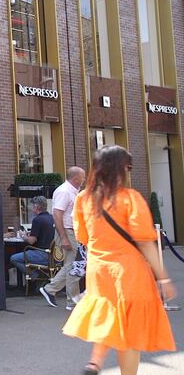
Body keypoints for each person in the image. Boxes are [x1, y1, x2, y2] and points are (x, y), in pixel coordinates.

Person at [61, 146, 177, 375]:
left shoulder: (83, 198)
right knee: (130, 334)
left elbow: (82, 237)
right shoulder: (129, 198)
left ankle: (95, 361)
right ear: (120, 169)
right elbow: (145, 241)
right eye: (128, 167)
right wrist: (163, 279)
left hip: (98, 270)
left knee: (110, 315)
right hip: (129, 272)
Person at [39, 166, 86, 310]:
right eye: (83, 177)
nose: (84, 180)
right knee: (73, 265)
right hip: (67, 230)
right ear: (76, 178)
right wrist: (64, 237)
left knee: (73, 265)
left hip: (71, 231)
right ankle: (71, 301)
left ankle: (51, 290)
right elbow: (57, 214)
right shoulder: (65, 191)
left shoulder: (71, 191)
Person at [9, 196, 55, 280]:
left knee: (14, 258)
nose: (31, 208)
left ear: (36, 207)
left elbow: (31, 241)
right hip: (54, 256)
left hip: (42, 254)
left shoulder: (37, 220)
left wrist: (23, 235)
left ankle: (35, 276)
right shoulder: (52, 218)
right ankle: (41, 275)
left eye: (32, 206)